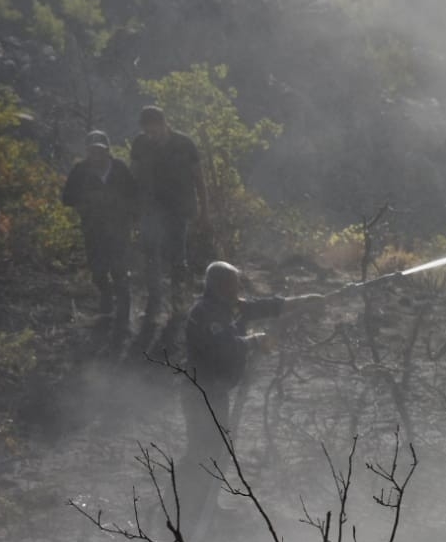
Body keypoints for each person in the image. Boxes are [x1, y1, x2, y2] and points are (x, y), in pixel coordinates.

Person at [179, 260, 322, 518]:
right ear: (220, 285)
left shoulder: (228, 306)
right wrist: (255, 341)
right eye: (234, 284)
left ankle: (207, 506)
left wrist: (302, 300)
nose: (238, 288)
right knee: (203, 451)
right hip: (200, 393)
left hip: (215, 392)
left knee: (217, 449)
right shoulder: (206, 313)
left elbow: (262, 307)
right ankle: (188, 510)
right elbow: (224, 347)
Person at [130, 105, 206, 333]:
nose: (151, 134)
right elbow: (133, 176)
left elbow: (199, 179)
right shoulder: (141, 144)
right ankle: (154, 303)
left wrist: (205, 211)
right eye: (147, 130)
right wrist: (132, 210)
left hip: (178, 209)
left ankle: (178, 303)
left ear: (164, 124)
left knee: (177, 257)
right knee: (151, 255)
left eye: (154, 129)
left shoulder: (184, 144)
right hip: (150, 209)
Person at [61, 130, 137, 336]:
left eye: (100, 150)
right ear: (88, 152)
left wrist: (128, 212)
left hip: (120, 228)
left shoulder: (120, 168)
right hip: (93, 229)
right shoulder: (80, 170)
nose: (97, 155)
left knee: (120, 271)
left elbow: (134, 194)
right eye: (92, 151)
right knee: (98, 270)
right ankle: (106, 305)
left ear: (107, 150)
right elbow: (66, 198)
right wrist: (86, 202)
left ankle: (124, 319)